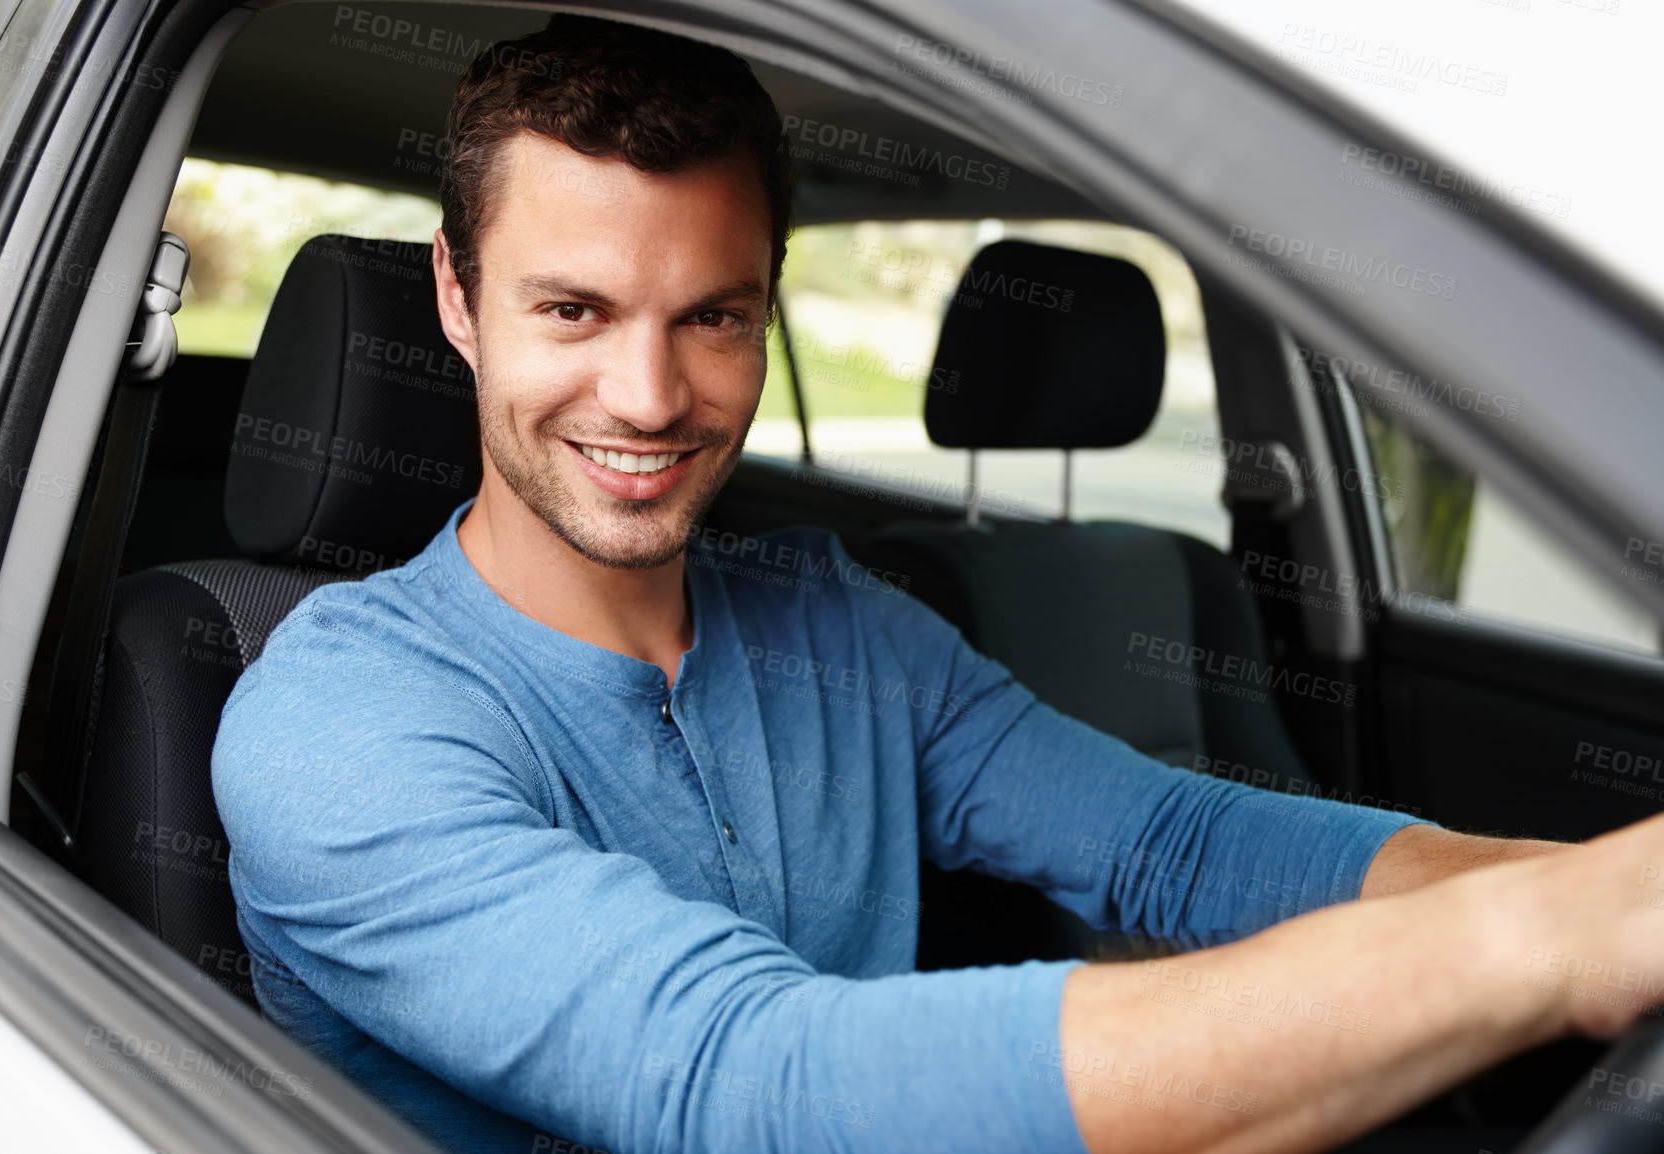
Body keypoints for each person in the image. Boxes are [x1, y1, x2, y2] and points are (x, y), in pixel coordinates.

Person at [212, 14, 1664, 1154]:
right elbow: (746, 1085)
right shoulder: (335, 722)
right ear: (458, 300)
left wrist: (1593, 887)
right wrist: (1541, 943)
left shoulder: (838, 623)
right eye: (573, 309)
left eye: (713, 317)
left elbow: (1172, 840)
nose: (649, 395)